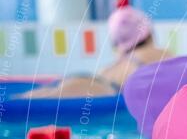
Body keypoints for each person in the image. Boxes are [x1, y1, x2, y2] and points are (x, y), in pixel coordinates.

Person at [22, 7, 173, 99]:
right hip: (103, 90)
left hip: (89, 80)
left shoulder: (122, 61)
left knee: (31, 99)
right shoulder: (160, 54)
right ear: (149, 33)